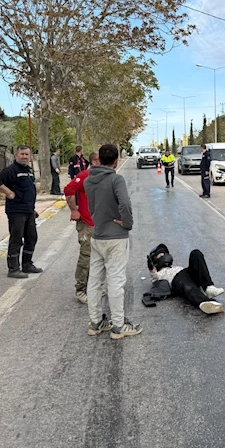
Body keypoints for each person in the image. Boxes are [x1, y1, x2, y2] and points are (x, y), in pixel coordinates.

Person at [84, 144, 141, 340]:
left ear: (98, 159)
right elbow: (124, 203)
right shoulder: (116, 179)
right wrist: (127, 223)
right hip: (116, 237)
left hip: (97, 235)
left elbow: (93, 205)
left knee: (95, 280)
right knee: (116, 281)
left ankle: (96, 322)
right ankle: (119, 325)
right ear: (116, 161)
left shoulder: (88, 180)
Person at [0, 146, 43, 279]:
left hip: (28, 211)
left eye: (27, 154)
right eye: (22, 154)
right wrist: (8, 192)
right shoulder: (11, 170)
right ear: (16, 155)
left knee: (31, 237)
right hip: (16, 211)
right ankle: (13, 269)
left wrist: (32, 209)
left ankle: (27, 264)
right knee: (16, 239)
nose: (25, 156)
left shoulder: (28, 171)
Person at [147, 244, 225, 314]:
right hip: (177, 279)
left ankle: (209, 287)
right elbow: (154, 276)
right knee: (189, 287)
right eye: (160, 256)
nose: (164, 256)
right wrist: (151, 267)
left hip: (186, 272)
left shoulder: (173, 267)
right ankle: (206, 302)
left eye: (164, 254)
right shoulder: (158, 274)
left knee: (195, 253)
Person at [64, 152, 99, 304]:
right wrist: (74, 210)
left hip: (100, 225)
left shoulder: (105, 177)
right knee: (86, 257)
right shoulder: (85, 176)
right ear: (94, 161)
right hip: (86, 223)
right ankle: (80, 290)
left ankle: (94, 287)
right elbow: (68, 190)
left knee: (99, 258)